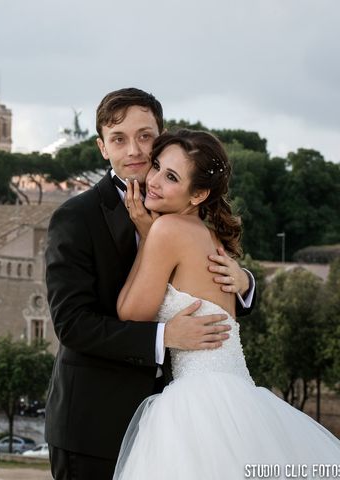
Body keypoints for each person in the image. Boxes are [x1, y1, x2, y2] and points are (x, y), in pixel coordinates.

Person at [44, 88, 256, 480]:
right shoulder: (76, 218)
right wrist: (164, 336)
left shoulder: (185, 214)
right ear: (102, 148)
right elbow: (72, 324)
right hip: (94, 427)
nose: (136, 150)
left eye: (145, 136)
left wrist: (244, 283)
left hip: (178, 425)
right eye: (119, 139)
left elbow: (206, 285)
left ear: (161, 135)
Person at [112, 129, 340, 479]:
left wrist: (146, 234)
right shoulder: (207, 233)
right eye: (156, 166)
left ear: (198, 194)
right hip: (236, 394)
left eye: (171, 177)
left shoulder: (168, 229)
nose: (153, 180)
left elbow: (130, 313)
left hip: (197, 399)